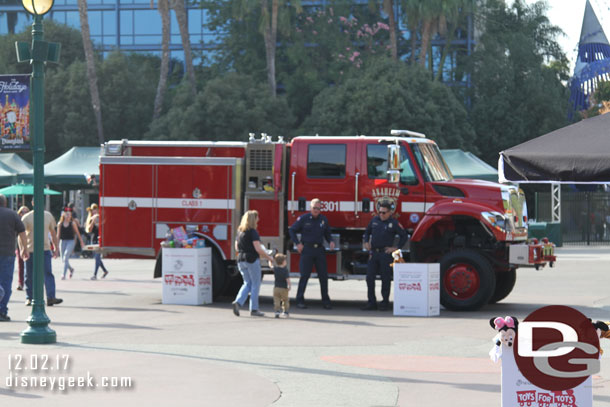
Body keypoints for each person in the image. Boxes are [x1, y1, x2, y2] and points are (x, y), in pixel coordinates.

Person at [288, 198, 335, 310]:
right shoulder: (304, 219)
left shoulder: (323, 220)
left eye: (318, 208)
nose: (316, 210)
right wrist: (297, 244)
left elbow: (327, 233)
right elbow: (292, 230)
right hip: (307, 250)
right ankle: (299, 300)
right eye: (314, 208)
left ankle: (326, 301)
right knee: (304, 276)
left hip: (319, 250)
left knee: (323, 277)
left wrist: (331, 241)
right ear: (310, 208)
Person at [362, 201, 408, 311]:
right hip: (374, 253)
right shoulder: (374, 221)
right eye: (380, 212)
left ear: (390, 212)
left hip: (385, 254)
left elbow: (404, 236)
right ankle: (371, 302)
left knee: (385, 278)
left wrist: (396, 248)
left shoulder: (394, 223)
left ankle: (384, 302)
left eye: (384, 212)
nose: (381, 214)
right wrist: (366, 242)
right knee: (369, 278)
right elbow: (367, 232)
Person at [232, 210, 274, 317]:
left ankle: (238, 302)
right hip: (251, 260)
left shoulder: (240, 231)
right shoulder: (253, 232)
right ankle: (254, 309)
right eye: (256, 218)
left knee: (247, 283)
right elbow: (258, 248)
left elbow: (236, 247)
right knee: (255, 284)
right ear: (252, 220)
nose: (258, 220)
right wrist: (269, 258)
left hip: (241, 259)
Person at [20, 201, 62, 307]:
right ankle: (29, 298)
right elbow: (21, 235)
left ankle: (50, 297)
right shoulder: (26, 217)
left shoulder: (48, 216)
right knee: (29, 275)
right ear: (33, 203)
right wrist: (23, 249)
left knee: (48, 273)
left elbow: (53, 233)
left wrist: (56, 247)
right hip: (31, 249)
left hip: (45, 249)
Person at [0, 194, 27, 321]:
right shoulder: (12, 214)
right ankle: (2, 311)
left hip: (7, 253)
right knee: (5, 283)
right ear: (5, 203)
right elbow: (22, 232)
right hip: (8, 253)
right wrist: (24, 249)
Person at [57, 207, 85, 279]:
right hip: (62, 241)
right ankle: (71, 269)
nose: (68, 216)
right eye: (67, 215)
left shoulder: (72, 223)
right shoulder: (60, 224)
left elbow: (77, 233)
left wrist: (81, 242)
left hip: (70, 241)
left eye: (69, 215)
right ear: (63, 215)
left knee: (66, 256)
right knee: (63, 259)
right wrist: (55, 245)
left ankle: (63, 274)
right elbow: (58, 235)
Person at [86, 203, 109, 280]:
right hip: (93, 240)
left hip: (100, 240)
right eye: (93, 210)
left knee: (97, 258)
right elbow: (89, 230)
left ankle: (95, 275)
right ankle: (105, 271)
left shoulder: (101, 218)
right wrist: (93, 221)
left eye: (96, 209)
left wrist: (98, 220)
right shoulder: (90, 219)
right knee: (97, 258)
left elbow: (104, 226)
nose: (95, 211)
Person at [269, 253, 290, 318]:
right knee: (285, 300)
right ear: (283, 262)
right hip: (284, 288)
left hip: (276, 288)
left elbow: (270, 266)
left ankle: (277, 311)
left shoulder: (275, 269)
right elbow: (287, 279)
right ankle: (285, 311)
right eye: (285, 260)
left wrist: (270, 260)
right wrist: (289, 285)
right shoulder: (285, 270)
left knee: (276, 300)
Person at [15, 205, 29, 290]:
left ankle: (28, 284)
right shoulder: (17, 221)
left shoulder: (30, 220)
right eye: (22, 212)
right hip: (19, 246)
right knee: (20, 265)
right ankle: (20, 283)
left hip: (29, 245)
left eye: (26, 212)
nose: (23, 214)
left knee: (28, 266)